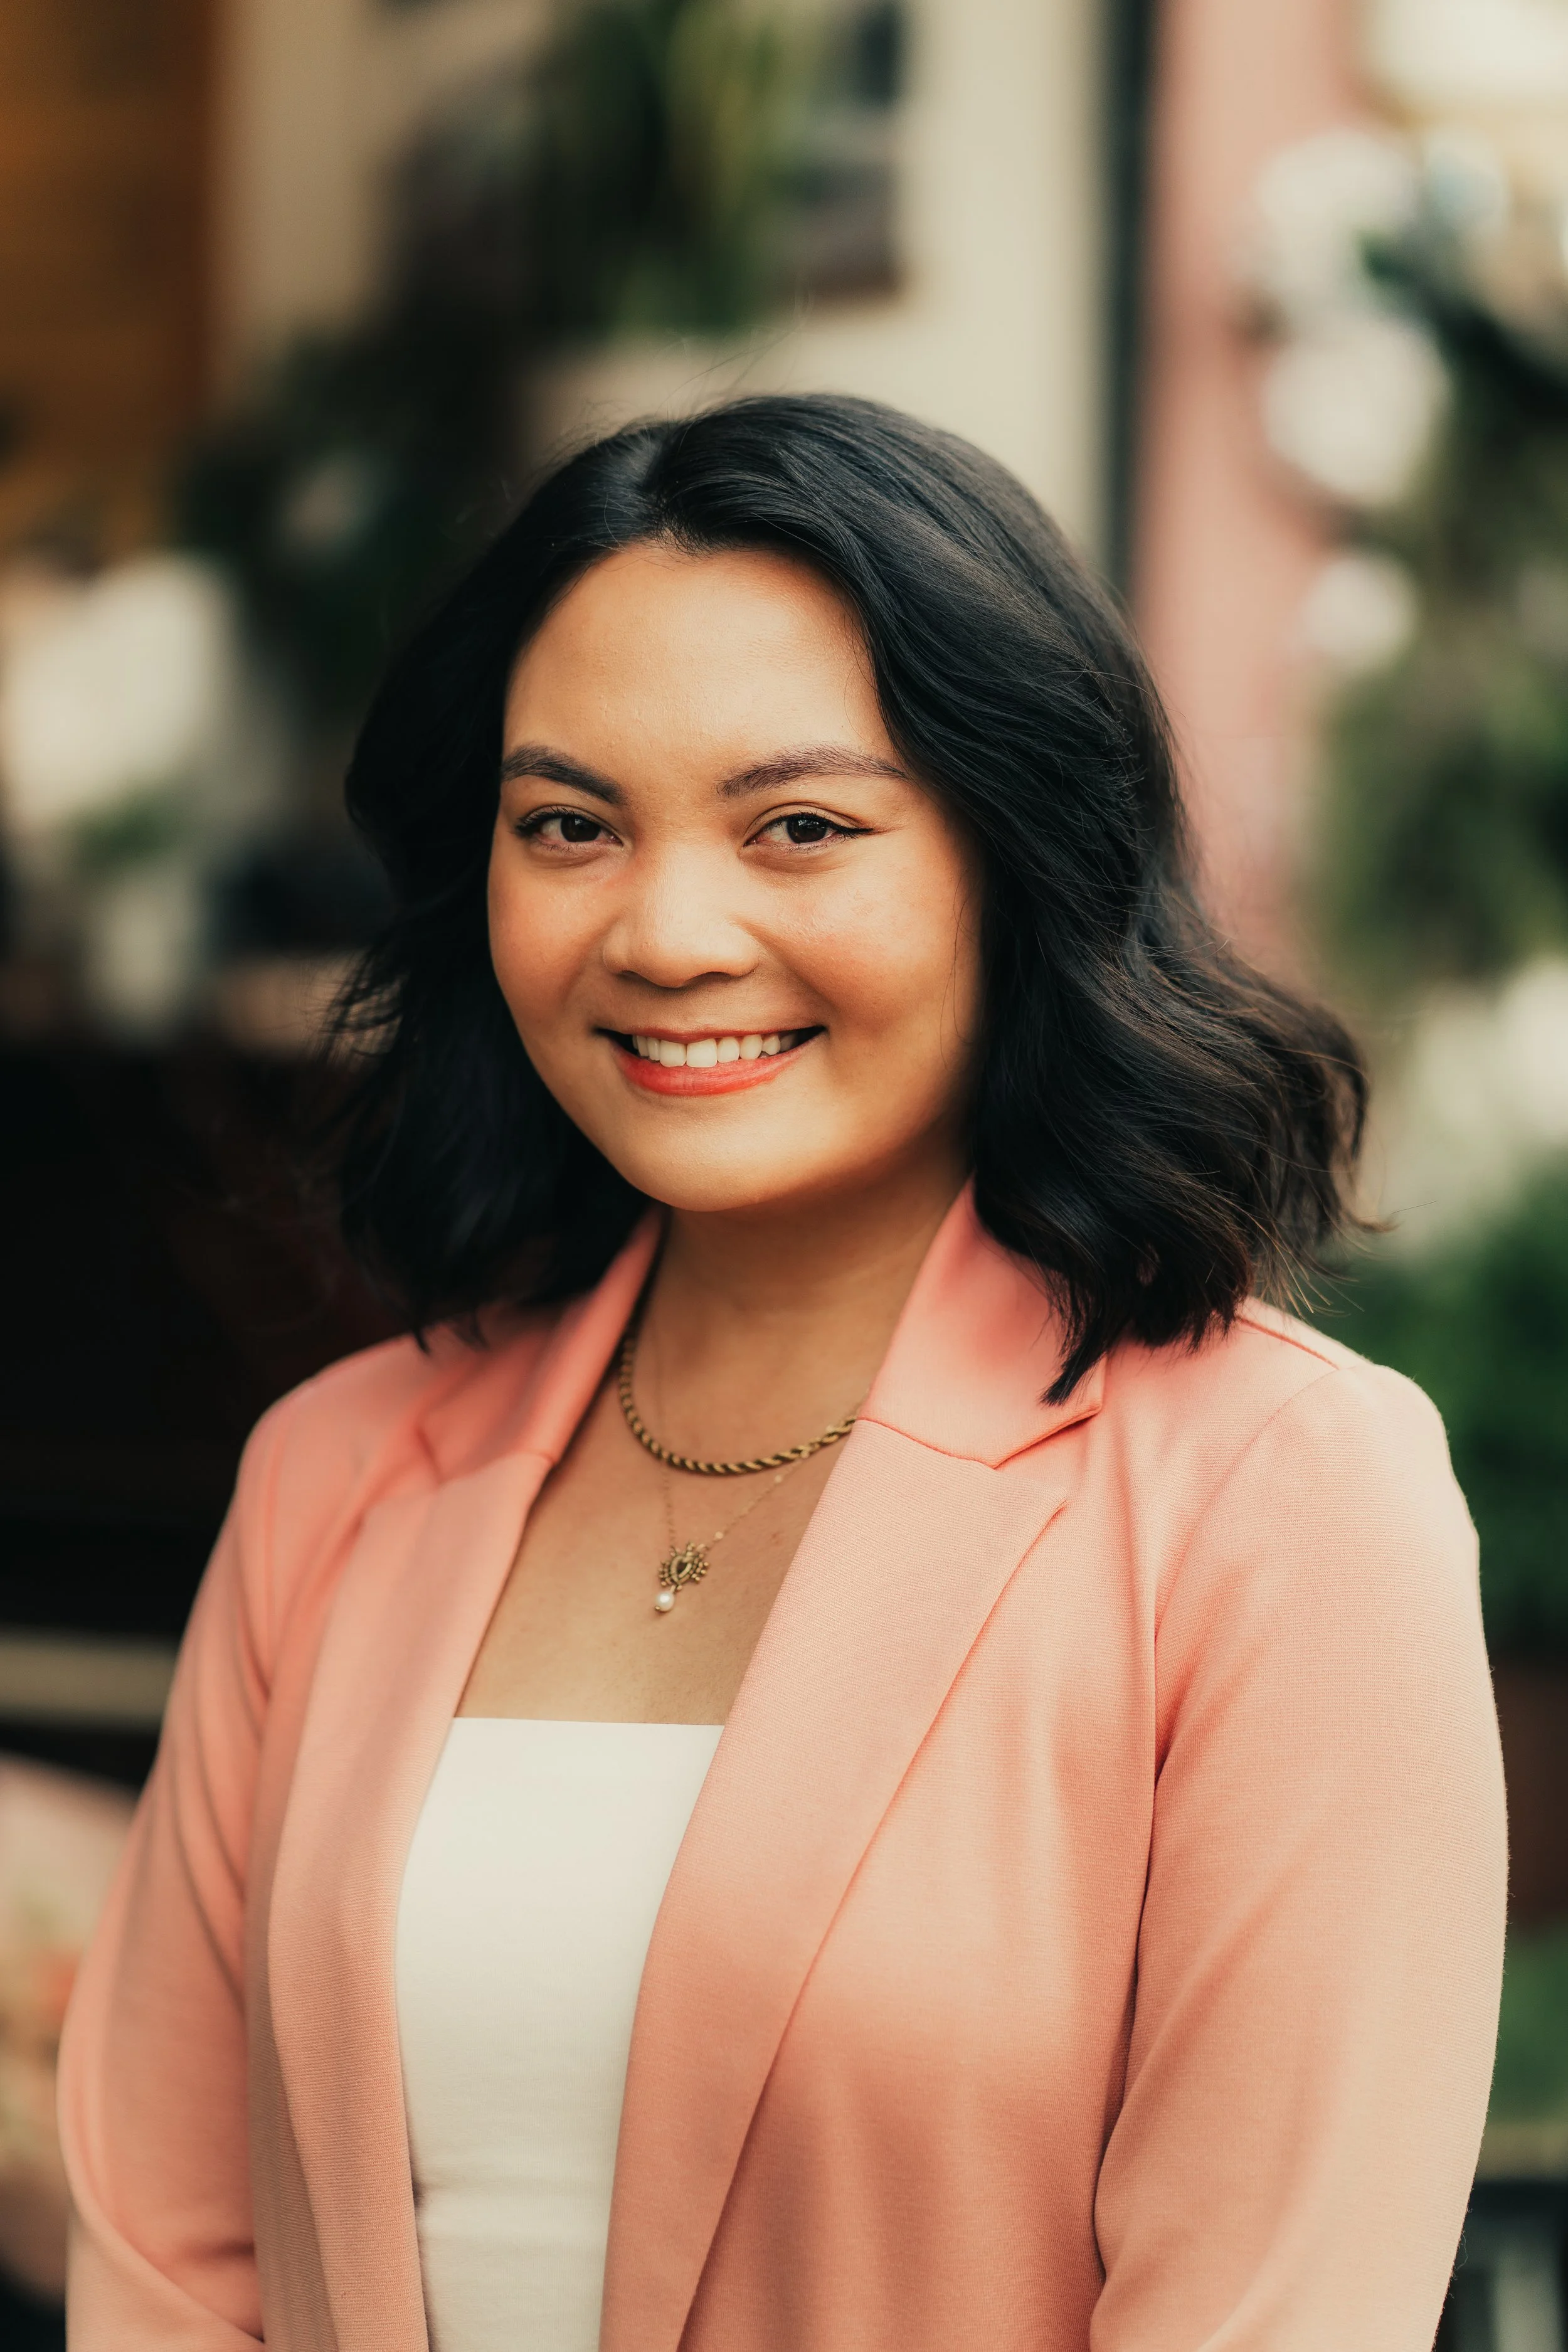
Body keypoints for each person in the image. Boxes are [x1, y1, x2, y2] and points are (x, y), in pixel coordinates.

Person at [59, 396, 1505, 2352]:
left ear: (1017, 855)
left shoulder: (1281, 1500)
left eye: (799, 826)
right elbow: (169, 2260)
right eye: (566, 825)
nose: (665, 932)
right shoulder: (336, 1473)